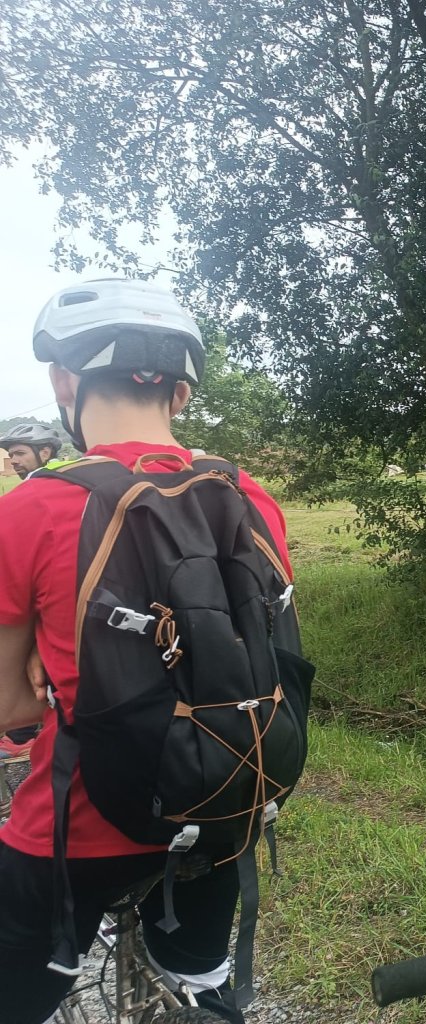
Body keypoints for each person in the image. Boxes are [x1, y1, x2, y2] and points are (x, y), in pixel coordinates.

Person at [0, 278, 296, 1024]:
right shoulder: (251, 497)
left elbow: (8, 706)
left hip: (79, 828)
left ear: (64, 381)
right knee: (200, 977)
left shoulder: (31, 506)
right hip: (225, 803)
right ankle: (200, 985)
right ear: (181, 394)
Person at [0, 423, 63, 762]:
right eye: (11, 455)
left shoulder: (51, 486)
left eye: (20, 453)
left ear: (46, 452)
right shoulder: (34, 485)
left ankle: (21, 734)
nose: (14, 460)